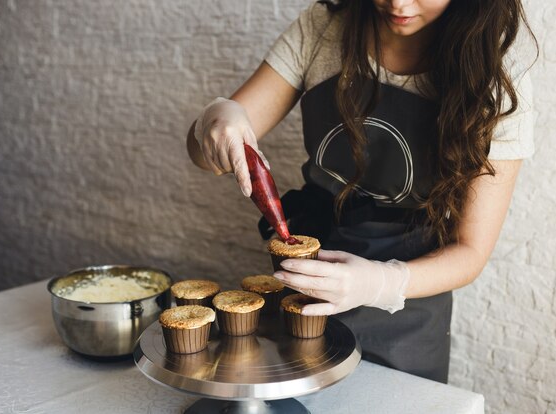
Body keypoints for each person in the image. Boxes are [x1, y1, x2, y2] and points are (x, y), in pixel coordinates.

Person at [187, 0, 536, 383]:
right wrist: (216, 120)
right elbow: (207, 157)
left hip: (409, 312)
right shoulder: (325, 27)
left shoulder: (496, 73)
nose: (398, 4)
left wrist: (380, 283)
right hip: (304, 290)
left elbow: (470, 252)